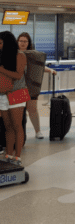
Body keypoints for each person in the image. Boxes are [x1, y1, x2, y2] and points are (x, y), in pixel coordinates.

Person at [17, 32, 57, 139]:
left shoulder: (33, 55)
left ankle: (37, 131)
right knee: (18, 111)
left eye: (25, 41)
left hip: (30, 86)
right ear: (17, 42)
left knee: (32, 109)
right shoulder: (13, 54)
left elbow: (39, 67)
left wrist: (50, 70)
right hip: (17, 87)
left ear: (29, 43)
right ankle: (19, 134)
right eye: (21, 41)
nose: (23, 43)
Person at [0, 31, 27, 166]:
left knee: (17, 126)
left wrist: (1, 70)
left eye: (0, 43)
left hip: (18, 94)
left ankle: (18, 156)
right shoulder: (2, 56)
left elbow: (18, 75)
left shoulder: (20, 56)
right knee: (8, 127)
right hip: (3, 95)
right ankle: (8, 154)